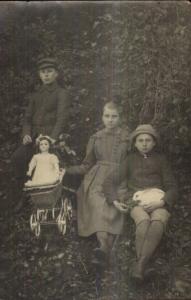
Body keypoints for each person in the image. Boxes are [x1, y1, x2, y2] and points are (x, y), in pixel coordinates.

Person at [65, 101, 130, 266]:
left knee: (115, 203)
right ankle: (103, 245)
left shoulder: (128, 138)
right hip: (97, 177)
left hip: (119, 176)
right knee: (96, 202)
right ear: (102, 117)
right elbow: (87, 164)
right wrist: (66, 170)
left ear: (120, 118)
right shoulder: (96, 137)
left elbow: (133, 163)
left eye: (114, 116)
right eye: (107, 116)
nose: (110, 120)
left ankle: (107, 247)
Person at [114, 124, 178, 282]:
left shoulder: (161, 160)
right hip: (137, 201)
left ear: (154, 142)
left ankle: (140, 264)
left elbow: (173, 187)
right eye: (140, 140)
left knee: (158, 220)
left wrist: (161, 202)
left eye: (148, 140)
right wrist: (114, 200)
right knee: (143, 221)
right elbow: (110, 182)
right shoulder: (129, 160)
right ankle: (143, 264)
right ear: (134, 143)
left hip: (158, 199)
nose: (144, 144)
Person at [10, 57, 69, 210]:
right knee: (18, 158)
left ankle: (48, 198)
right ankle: (25, 194)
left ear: (56, 74)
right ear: (39, 75)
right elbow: (27, 118)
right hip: (34, 139)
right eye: (43, 72)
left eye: (49, 72)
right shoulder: (36, 95)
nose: (46, 75)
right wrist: (26, 134)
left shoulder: (61, 93)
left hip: (49, 140)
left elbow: (62, 118)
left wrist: (53, 138)